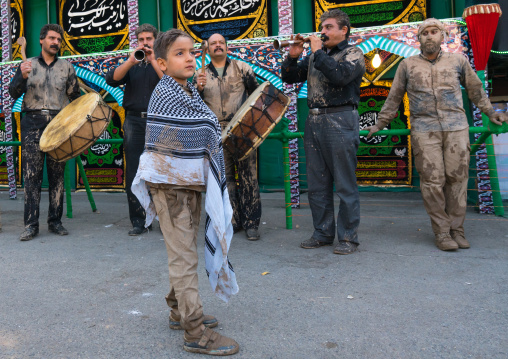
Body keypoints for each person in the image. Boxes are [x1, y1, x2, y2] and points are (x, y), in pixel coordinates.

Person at [131, 29, 239, 356]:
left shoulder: (187, 90)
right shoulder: (166, 92)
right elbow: (202, 127)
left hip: (186, 182)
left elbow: (202, 126)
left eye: (192, 52)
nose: (190, 57)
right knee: (183, 255)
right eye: (180, 53)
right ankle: (195, 332)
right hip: (170, 186)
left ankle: (179, 309)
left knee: (184, 249)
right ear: (162, 63)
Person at [365, 18, 508, 251]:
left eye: (434, 32)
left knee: (458, 178)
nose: (429, 36)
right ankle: (442, 233)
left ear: (443, 36)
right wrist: (380, 123)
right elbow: (394, 97)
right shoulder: (407, 65)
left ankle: (457, 230)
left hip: (456, 127)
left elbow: (475, 89)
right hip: (424, 129)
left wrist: (492, 112)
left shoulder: (458, 60)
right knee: (433, 181)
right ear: (418, 38)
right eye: (425, 33)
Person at [281, 9, 365, 254]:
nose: (323, 32)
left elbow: (341, 77)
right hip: (314, 120)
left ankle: (348, 238)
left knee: (345, 183)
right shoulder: (315, 57)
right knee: (317, 183)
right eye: (322, 27)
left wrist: (317, 51)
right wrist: (293, 57)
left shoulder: (353, 53)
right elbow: (289, 77)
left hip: (341, 118)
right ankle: (323, 233)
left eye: (328, 27)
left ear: (344, 30)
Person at [9, 24, 80, 241]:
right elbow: (13, 92)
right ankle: (31, 225)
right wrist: (21, 76)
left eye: (58, 40)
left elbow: (75, 98)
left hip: (58, 123)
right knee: (32, 176)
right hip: (32, 122)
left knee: (58, 175)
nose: (55, 43)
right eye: (51, 38)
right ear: (41, 40)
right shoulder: (27, 64)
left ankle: (55, 221)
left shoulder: (67, 67)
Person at [194, 33, 262, 241]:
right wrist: (197, 87)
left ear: (226, 46)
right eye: (213, 43)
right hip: (215, 132)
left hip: (243, 129)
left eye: (220, 43)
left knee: (248, 177)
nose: (217, 46)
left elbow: (257, 95)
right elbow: (195, 105)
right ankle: (232, 220)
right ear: (208, 48)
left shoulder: (242, 68)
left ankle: (252, 224)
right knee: (225, 179)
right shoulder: (200, 73)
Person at [105, 23, 163, 236]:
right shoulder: (133, 64)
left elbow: (169, 82)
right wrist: (131, 60)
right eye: (141, 40)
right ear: (136, 42)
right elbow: (111, 79)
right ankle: (139, 221)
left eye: (149, 39)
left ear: (155, 40)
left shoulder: (162, 62)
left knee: (161, 171)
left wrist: (153, 59)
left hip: (159, 122)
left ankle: (165, 220)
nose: (145, 43)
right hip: (134, 122)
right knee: (134, 173)